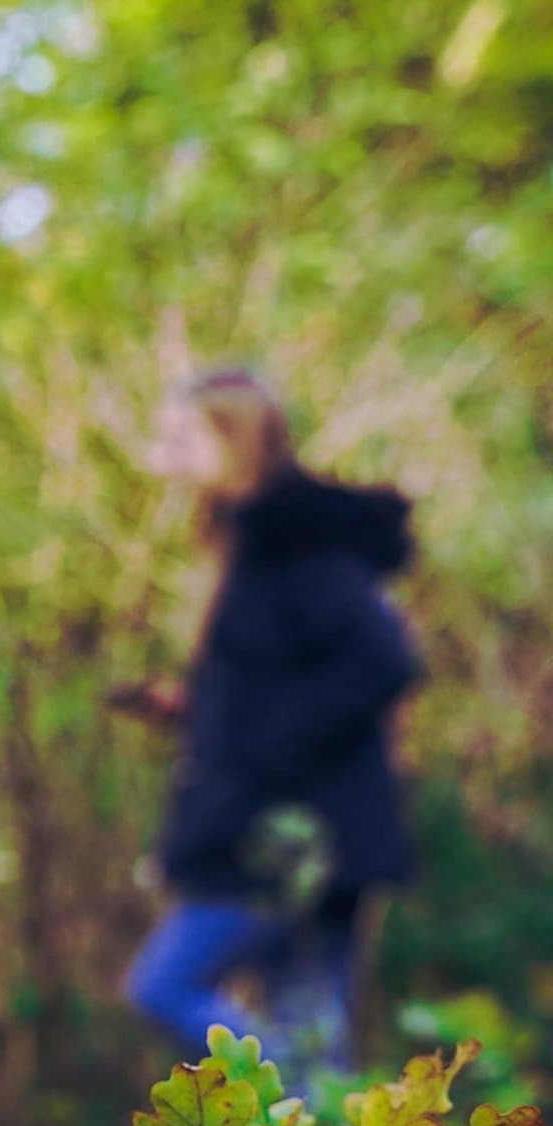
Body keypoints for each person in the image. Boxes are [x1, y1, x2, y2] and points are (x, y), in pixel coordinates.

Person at [123, 367, 421, 1074]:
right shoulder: (253, 544)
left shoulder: (298, 546)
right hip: (288, 839)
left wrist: (266, 741)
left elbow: (383, 661)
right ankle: (318, 1125)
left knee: (164, 987)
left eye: (182, 438)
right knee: (315, 1036)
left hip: (293, 841)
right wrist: (201, 709)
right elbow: (287, 675)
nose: (165, 457)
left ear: (234, 439)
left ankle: (300, 1097)